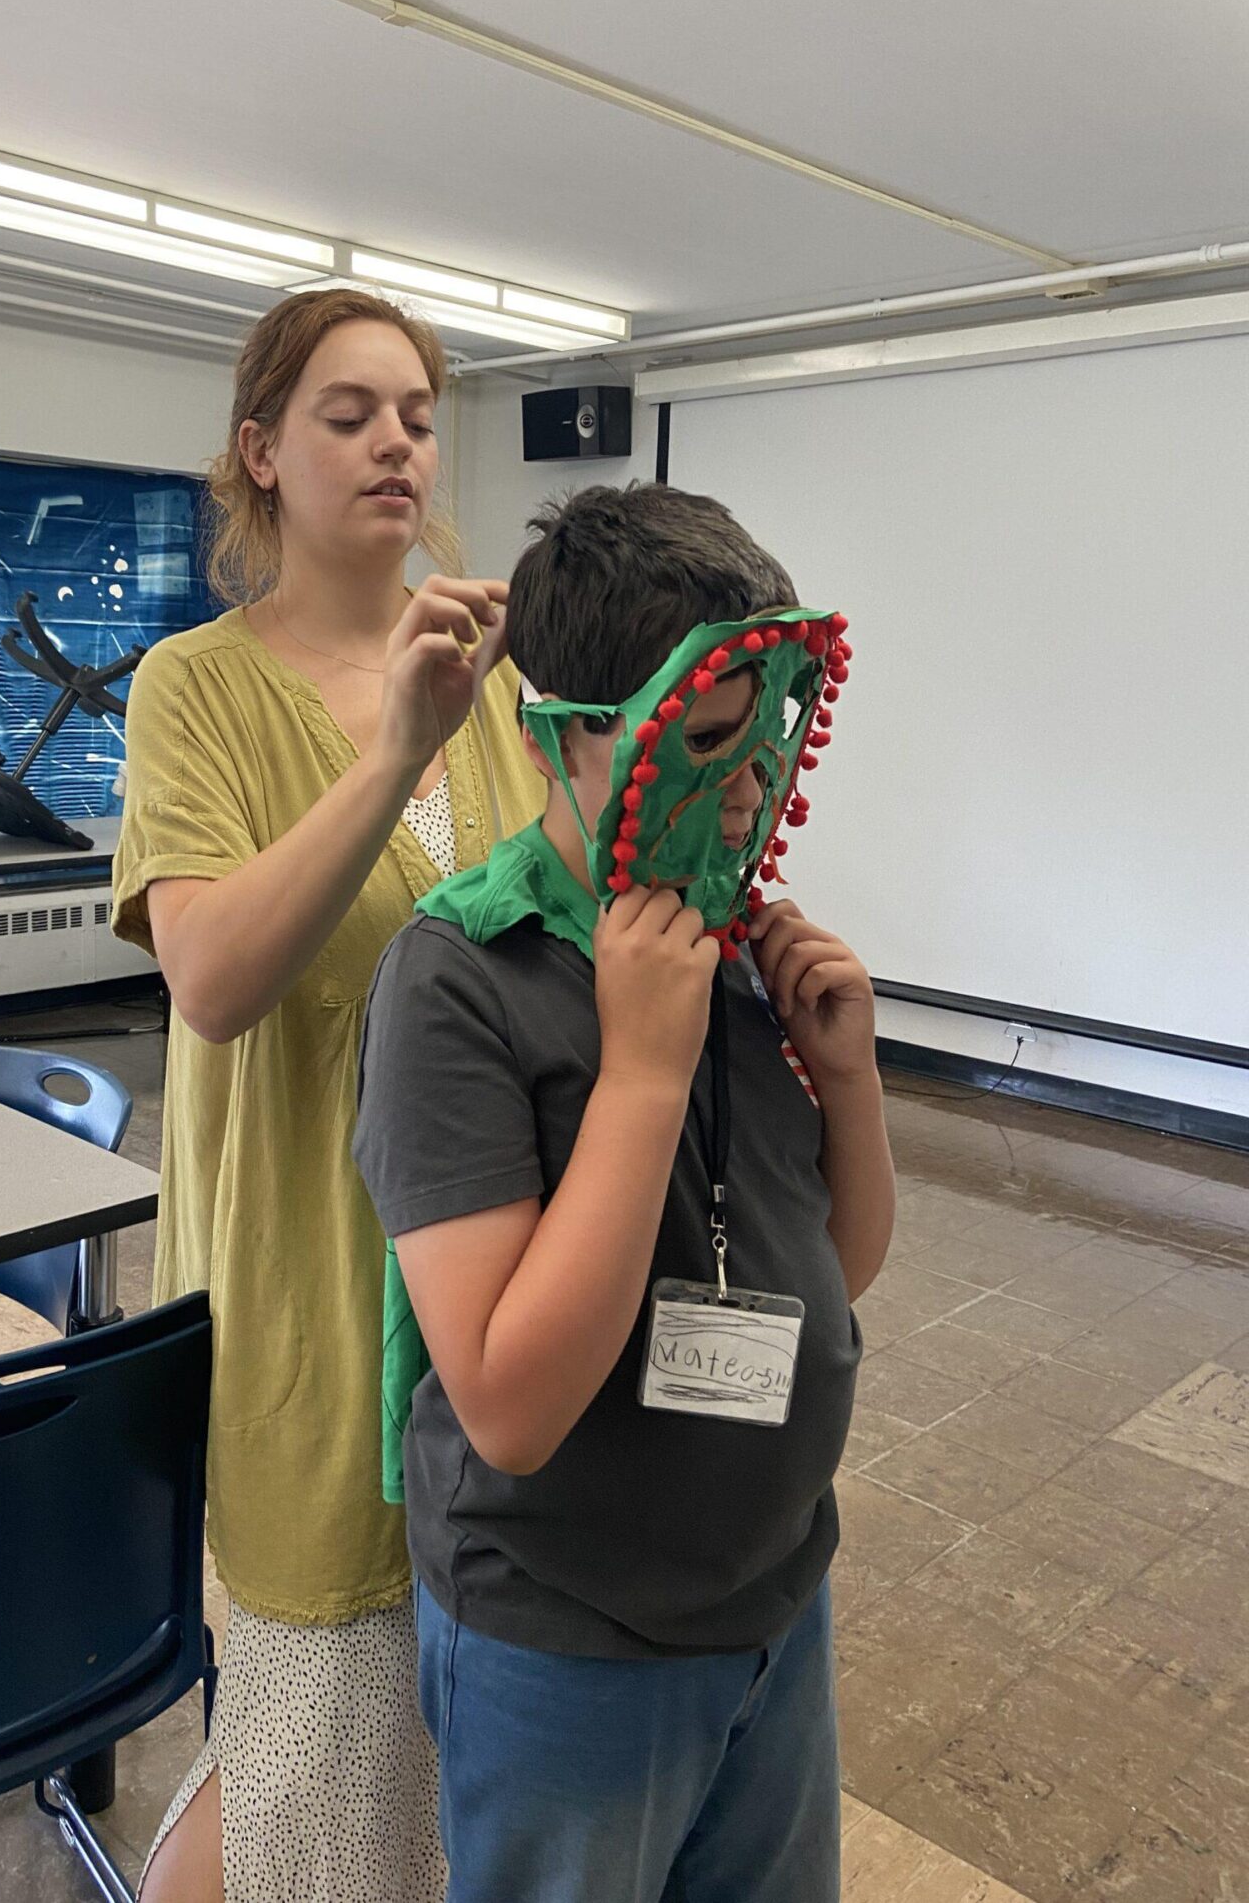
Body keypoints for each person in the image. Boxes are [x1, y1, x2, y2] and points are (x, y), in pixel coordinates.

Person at [354, 482, 895, 1903]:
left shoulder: (719, 928)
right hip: (567, 1640)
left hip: (769, 1595)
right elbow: (512, 1406)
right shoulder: (458, 978)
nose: (743, 792)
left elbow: (835, 1266)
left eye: (762, 742)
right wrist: (644, 1076)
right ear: (566, 734)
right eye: (703, 744)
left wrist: (850, 1084)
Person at [112, 289, 544, 1903]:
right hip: (308, 1290)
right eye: (350, 412)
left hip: (480, 1293)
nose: (395, 442)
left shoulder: (493, 686)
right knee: (322, 1738)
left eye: (419, 414)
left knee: (394, 1758)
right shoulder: (195, 689)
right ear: (262, 453)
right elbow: (214, 977)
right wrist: (388, 757)